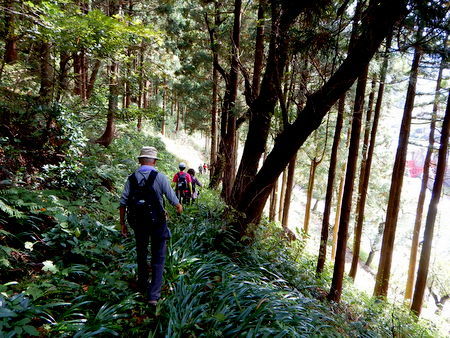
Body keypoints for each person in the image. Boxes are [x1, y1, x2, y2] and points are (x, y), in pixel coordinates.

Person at [119, 146, 182, 305]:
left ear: (140, 160)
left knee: (141, 252)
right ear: (154, 161)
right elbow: (173, 199)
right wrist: (179, 208)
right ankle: (153, 296)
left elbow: (123, 202)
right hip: (157, 223)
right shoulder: (160, 177)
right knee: (158, 257)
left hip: (138, 222)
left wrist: (122, 224)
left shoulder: (131, 178)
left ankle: (142, 286)